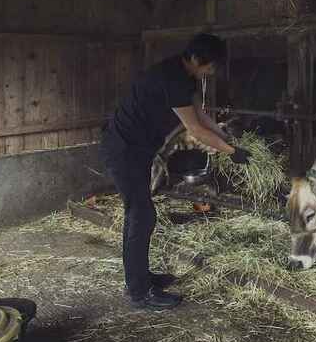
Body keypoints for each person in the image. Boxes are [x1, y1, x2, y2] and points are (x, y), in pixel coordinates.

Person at [99, 33, 250, 310]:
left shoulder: (185, 75)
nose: (212, 72)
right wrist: (231, 153)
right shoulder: (174, 78)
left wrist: (226, 138)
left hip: (138, 148)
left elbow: (201, 117)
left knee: (140, 214)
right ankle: (139, 291)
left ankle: (141, 278)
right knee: (141, 214)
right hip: (123, 149)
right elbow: (194, 130)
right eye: (211, 66)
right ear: (195, 59)